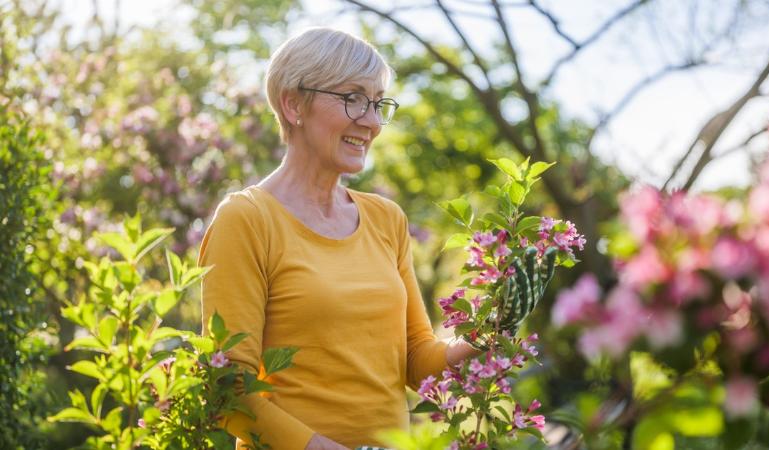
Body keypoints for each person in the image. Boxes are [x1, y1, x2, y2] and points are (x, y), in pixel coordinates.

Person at [199, 27, 549, 450]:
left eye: (378, 102)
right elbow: (227, 385)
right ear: (293, 104)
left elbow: (416, 360)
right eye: (352, 99)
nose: (371, 121)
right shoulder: (247, 219)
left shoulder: (386, 219)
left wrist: (488, 327)